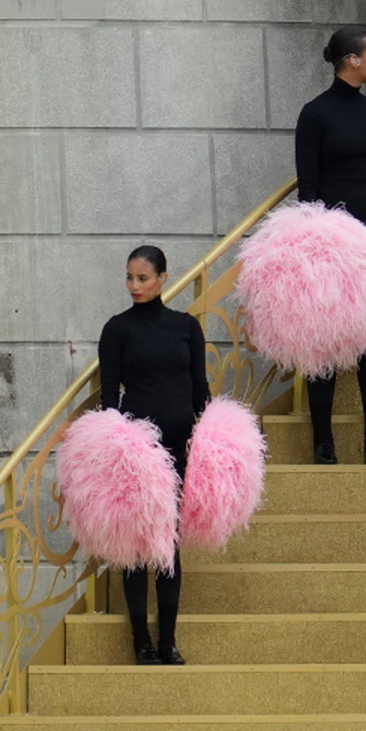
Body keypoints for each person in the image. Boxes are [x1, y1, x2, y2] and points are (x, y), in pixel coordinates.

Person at [97, 244, 210, 666]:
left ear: (163, 278)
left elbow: (200, 389)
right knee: (135, 546)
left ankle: (168, 641)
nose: (134, 286)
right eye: (129, 278)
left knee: (167, 545)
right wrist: (114, 446)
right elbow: (110, 396)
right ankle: (141, 641)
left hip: (180, 447)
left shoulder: (186, 327)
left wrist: (213, 438)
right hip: (135, 451)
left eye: (142, 278)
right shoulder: (117, 329)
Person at [295, 26, 366, 465]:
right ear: (352, 60)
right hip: (334, 244)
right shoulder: (315, 114)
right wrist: (317, 241)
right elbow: (309, 184)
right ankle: (324, 442)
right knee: (328, 341)